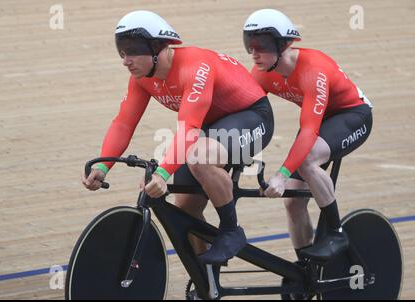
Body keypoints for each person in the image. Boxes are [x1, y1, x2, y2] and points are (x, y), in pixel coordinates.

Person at [81, 10, 274, 265]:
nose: (126, 60)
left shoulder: (195, 68)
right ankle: (208, 283)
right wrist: (103, 166)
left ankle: (231, 230)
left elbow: (189, 130)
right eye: (122, 52)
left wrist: (162, 173)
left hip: (251, 117)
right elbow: (123, 124)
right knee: (186, 209)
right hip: (209, 127)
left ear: (157, 47)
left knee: (198, 157)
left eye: (132, 50)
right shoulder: (142, 79)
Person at [242, 9, 373, 261]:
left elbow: (309, 131)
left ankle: (336, 231)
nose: (254, 53)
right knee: (292, 202)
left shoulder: (314, 70)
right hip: (322, 120)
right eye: (249, 44)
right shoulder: (261, 72)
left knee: (306, 160)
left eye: (262, 45)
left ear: (284, 44)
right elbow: (243, 108)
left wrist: (280, 175)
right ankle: (305, 269)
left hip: (352, 116)